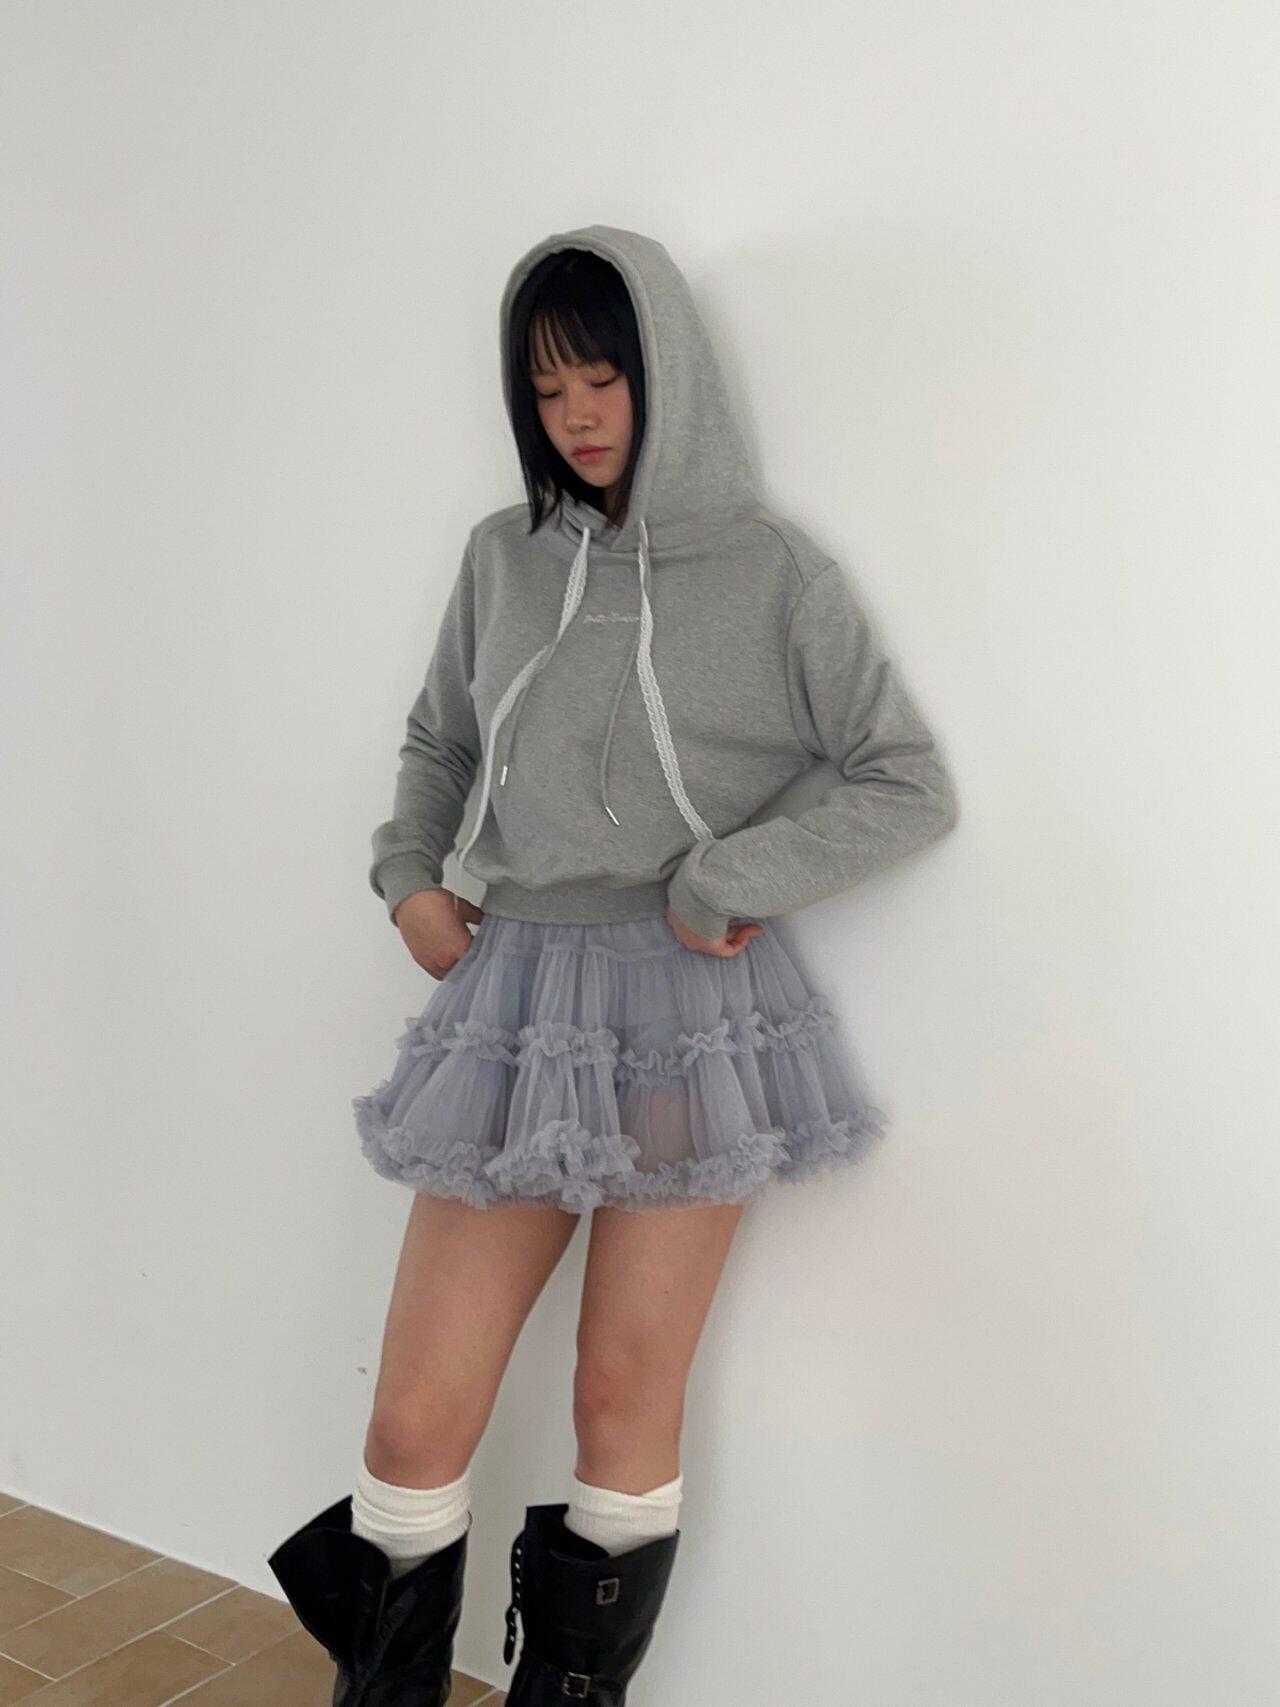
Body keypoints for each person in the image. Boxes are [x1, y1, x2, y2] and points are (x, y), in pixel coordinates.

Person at [268, 223, 960, 1705]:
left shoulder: (772, 572)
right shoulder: (502, 556)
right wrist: (409, 877)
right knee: (411, 1427)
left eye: (602, 379)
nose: (575, 416)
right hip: (514, 997)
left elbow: (905, 781)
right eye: (546, 389)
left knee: (617, 1398)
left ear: (669, 376)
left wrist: (723, 877)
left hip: (685, 1008)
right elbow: (440, 738)